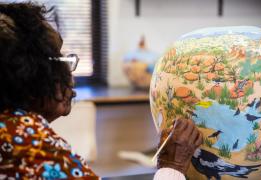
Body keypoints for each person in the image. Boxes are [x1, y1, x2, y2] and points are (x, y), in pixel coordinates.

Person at [0, 2, 203, 179]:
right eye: (58, 57)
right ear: (25, 72)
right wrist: (172, 167)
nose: (69, 70)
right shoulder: (28, 144)